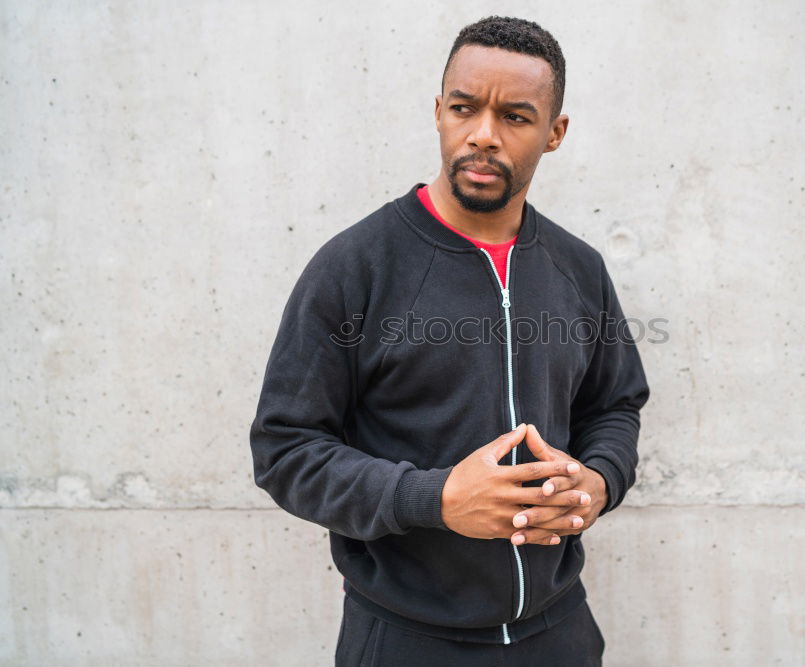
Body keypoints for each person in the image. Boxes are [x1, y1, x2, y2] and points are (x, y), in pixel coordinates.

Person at [249, 15, 650, 666]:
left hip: (560, 634)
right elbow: (286, 448)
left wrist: (600, 480)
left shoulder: (579, 269)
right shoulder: (356, 267)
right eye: (465, 108)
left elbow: (614, 406)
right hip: (406, 640)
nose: (483, 135)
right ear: (439, 112)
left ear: (555, 133)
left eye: (516, 116)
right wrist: (434, 498)